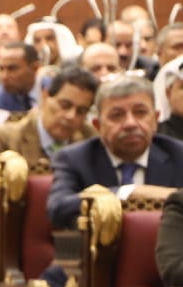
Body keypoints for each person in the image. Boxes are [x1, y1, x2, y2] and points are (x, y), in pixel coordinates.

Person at [48, 75, 183, 229]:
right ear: (98, 126)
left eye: (140, 112)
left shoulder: (179, 155)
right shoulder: (74, 159)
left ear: (155, 120)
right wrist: (127, 192)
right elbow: (57, 208)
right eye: (117, 115)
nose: (130, 123)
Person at [0, 65, 97, 202]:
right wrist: (8, 182)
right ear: (45, 96)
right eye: (65, 105)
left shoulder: (91, 138)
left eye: (81, 111)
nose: (71, 116)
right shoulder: (7, 136)